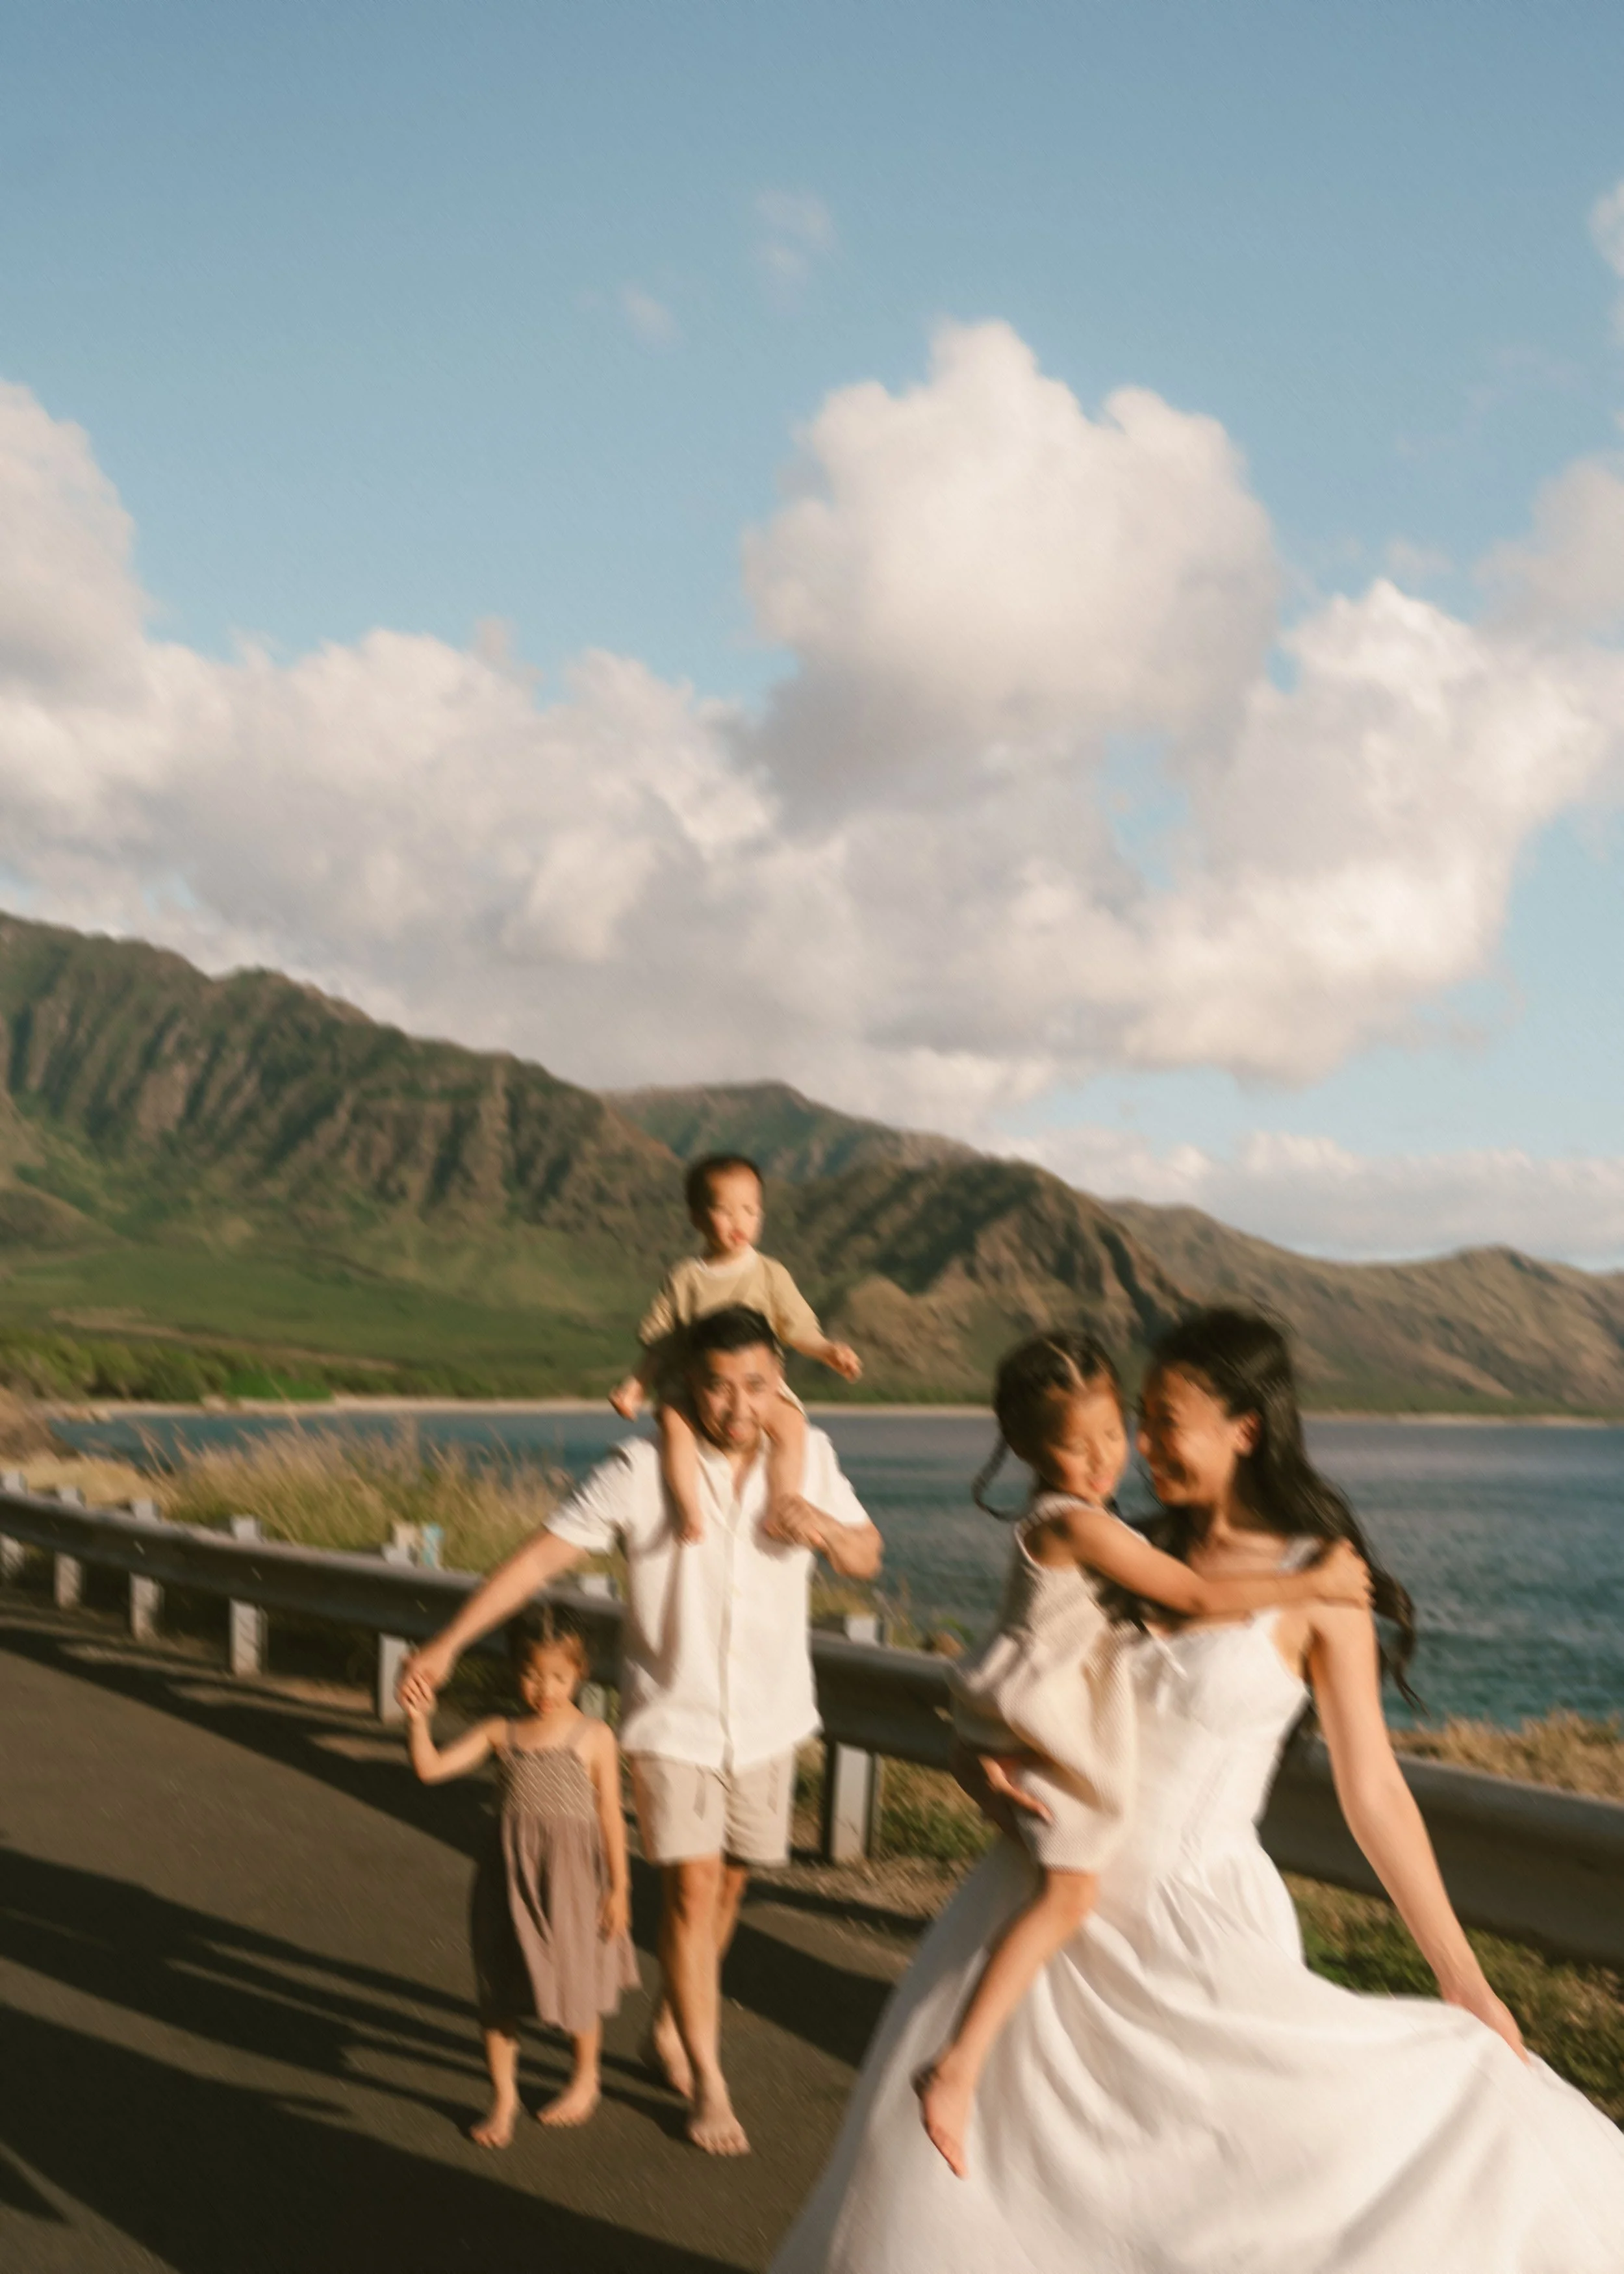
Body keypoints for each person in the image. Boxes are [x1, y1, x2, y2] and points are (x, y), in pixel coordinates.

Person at [773, 1308, 1624, 2273]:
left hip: (1199, 1930)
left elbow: (1373, 1789)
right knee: (988, 2200)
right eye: (1137, 1415)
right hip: (1045, 1909)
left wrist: (1461, 1975)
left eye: (1165, 1418)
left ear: (1244, 1428)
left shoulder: (1320, 1583)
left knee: (1210, 2213)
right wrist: (985, 1774)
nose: (1138, 1442)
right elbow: (1017, 1688)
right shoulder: (1121, 1551)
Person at [400, 1305, 883, 2157]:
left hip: (770, 1720)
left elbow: (868, 1551)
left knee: (730, 1889)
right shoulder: (639, 1468)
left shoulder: (809, 1459)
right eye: (718, 1386)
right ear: (688, 1383)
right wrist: (446, 1644)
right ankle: (709, 2077)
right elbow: (539, 1559)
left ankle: (671, 2016)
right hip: (672, 1722)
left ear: (780, 1384)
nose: (737, 1406)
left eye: (757, 1386)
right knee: (693, 1894)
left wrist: (836, 1535)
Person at [915, 1329, 1372, 2178]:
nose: (1109, 1458)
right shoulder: (1081, 1525)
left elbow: (1372, 1786)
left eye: (1119, 1434)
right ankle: (959, 2063)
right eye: (1076, 1444)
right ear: (1027, 1450)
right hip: (1051, 1759)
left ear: (1245, 1428)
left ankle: (959, 2062)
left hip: (1145, 1837)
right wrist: (1309, 1585)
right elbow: (1196, 1594)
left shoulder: (1103, 1525)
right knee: (1070, 1895)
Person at [405, 1610, 635, 2144]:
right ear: (516, 1671)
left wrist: (620, 1887)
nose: (545, 1689)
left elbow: (610, 1818)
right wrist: (419, 1718)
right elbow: (430, 1769)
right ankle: (503, 2099)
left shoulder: (594, 1735)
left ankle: (584, 2079)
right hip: (507, 1878)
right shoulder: (500, 1732)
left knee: (577, 1976)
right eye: (533, 1675)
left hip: (575, 1879)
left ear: (579, 1673)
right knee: (498, 1986)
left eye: (558, 1676)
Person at [610, 1153, 862, 1544]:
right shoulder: (686, 1278)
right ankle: (688, 1510)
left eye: (749, 1210)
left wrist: (828, 1350)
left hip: (756, 1389)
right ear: (697, 1217)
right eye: (724, 1211)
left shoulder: (769, 1273)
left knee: (792, 1426)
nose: (739, 1221)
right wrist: (636, 1386)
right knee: (675, 1427)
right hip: (694, 1386)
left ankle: (782, 1502)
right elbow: (663, 1343)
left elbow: (796, 1328)